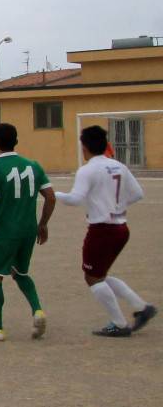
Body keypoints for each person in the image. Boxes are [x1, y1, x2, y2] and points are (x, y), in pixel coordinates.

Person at [55, 125, 156, 337]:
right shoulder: (118, 166)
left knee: (92, 278)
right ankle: (141, 307)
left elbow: (75, 199)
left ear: (84, 147)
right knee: (100, 275)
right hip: (121, 228)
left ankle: (119, 324)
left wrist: (54, 194)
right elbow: (138, 194)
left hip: (102, 230)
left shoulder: (87, 170)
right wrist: (117, 206)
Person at [0, 123, 55, 342]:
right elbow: (51, 197)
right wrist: (42, 224)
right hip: (28, 231)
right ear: (16, 141)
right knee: (20, 273)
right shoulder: (34, 166)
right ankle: (38, 311)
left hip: (5, 232)